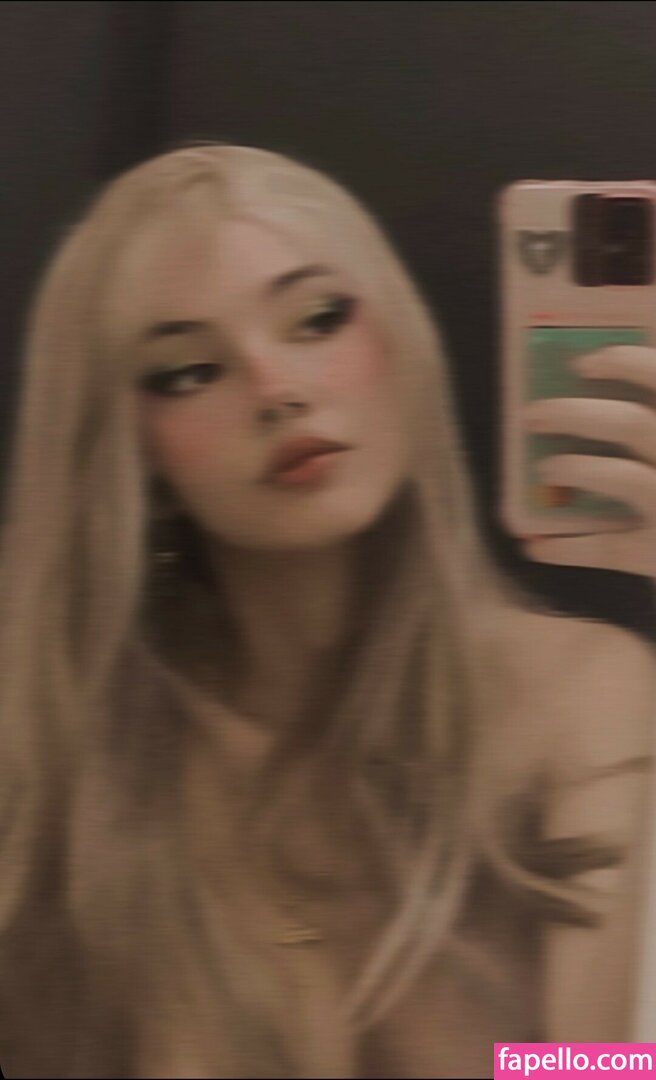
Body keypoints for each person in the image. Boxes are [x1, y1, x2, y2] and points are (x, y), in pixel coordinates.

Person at [0, 143, 654, 1079]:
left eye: (318, 319)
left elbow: (591, 1068)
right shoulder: (82, 763)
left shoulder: (573, 697)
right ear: (133, 456)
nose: (277, 390)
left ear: (401, 345)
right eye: (188, 371)